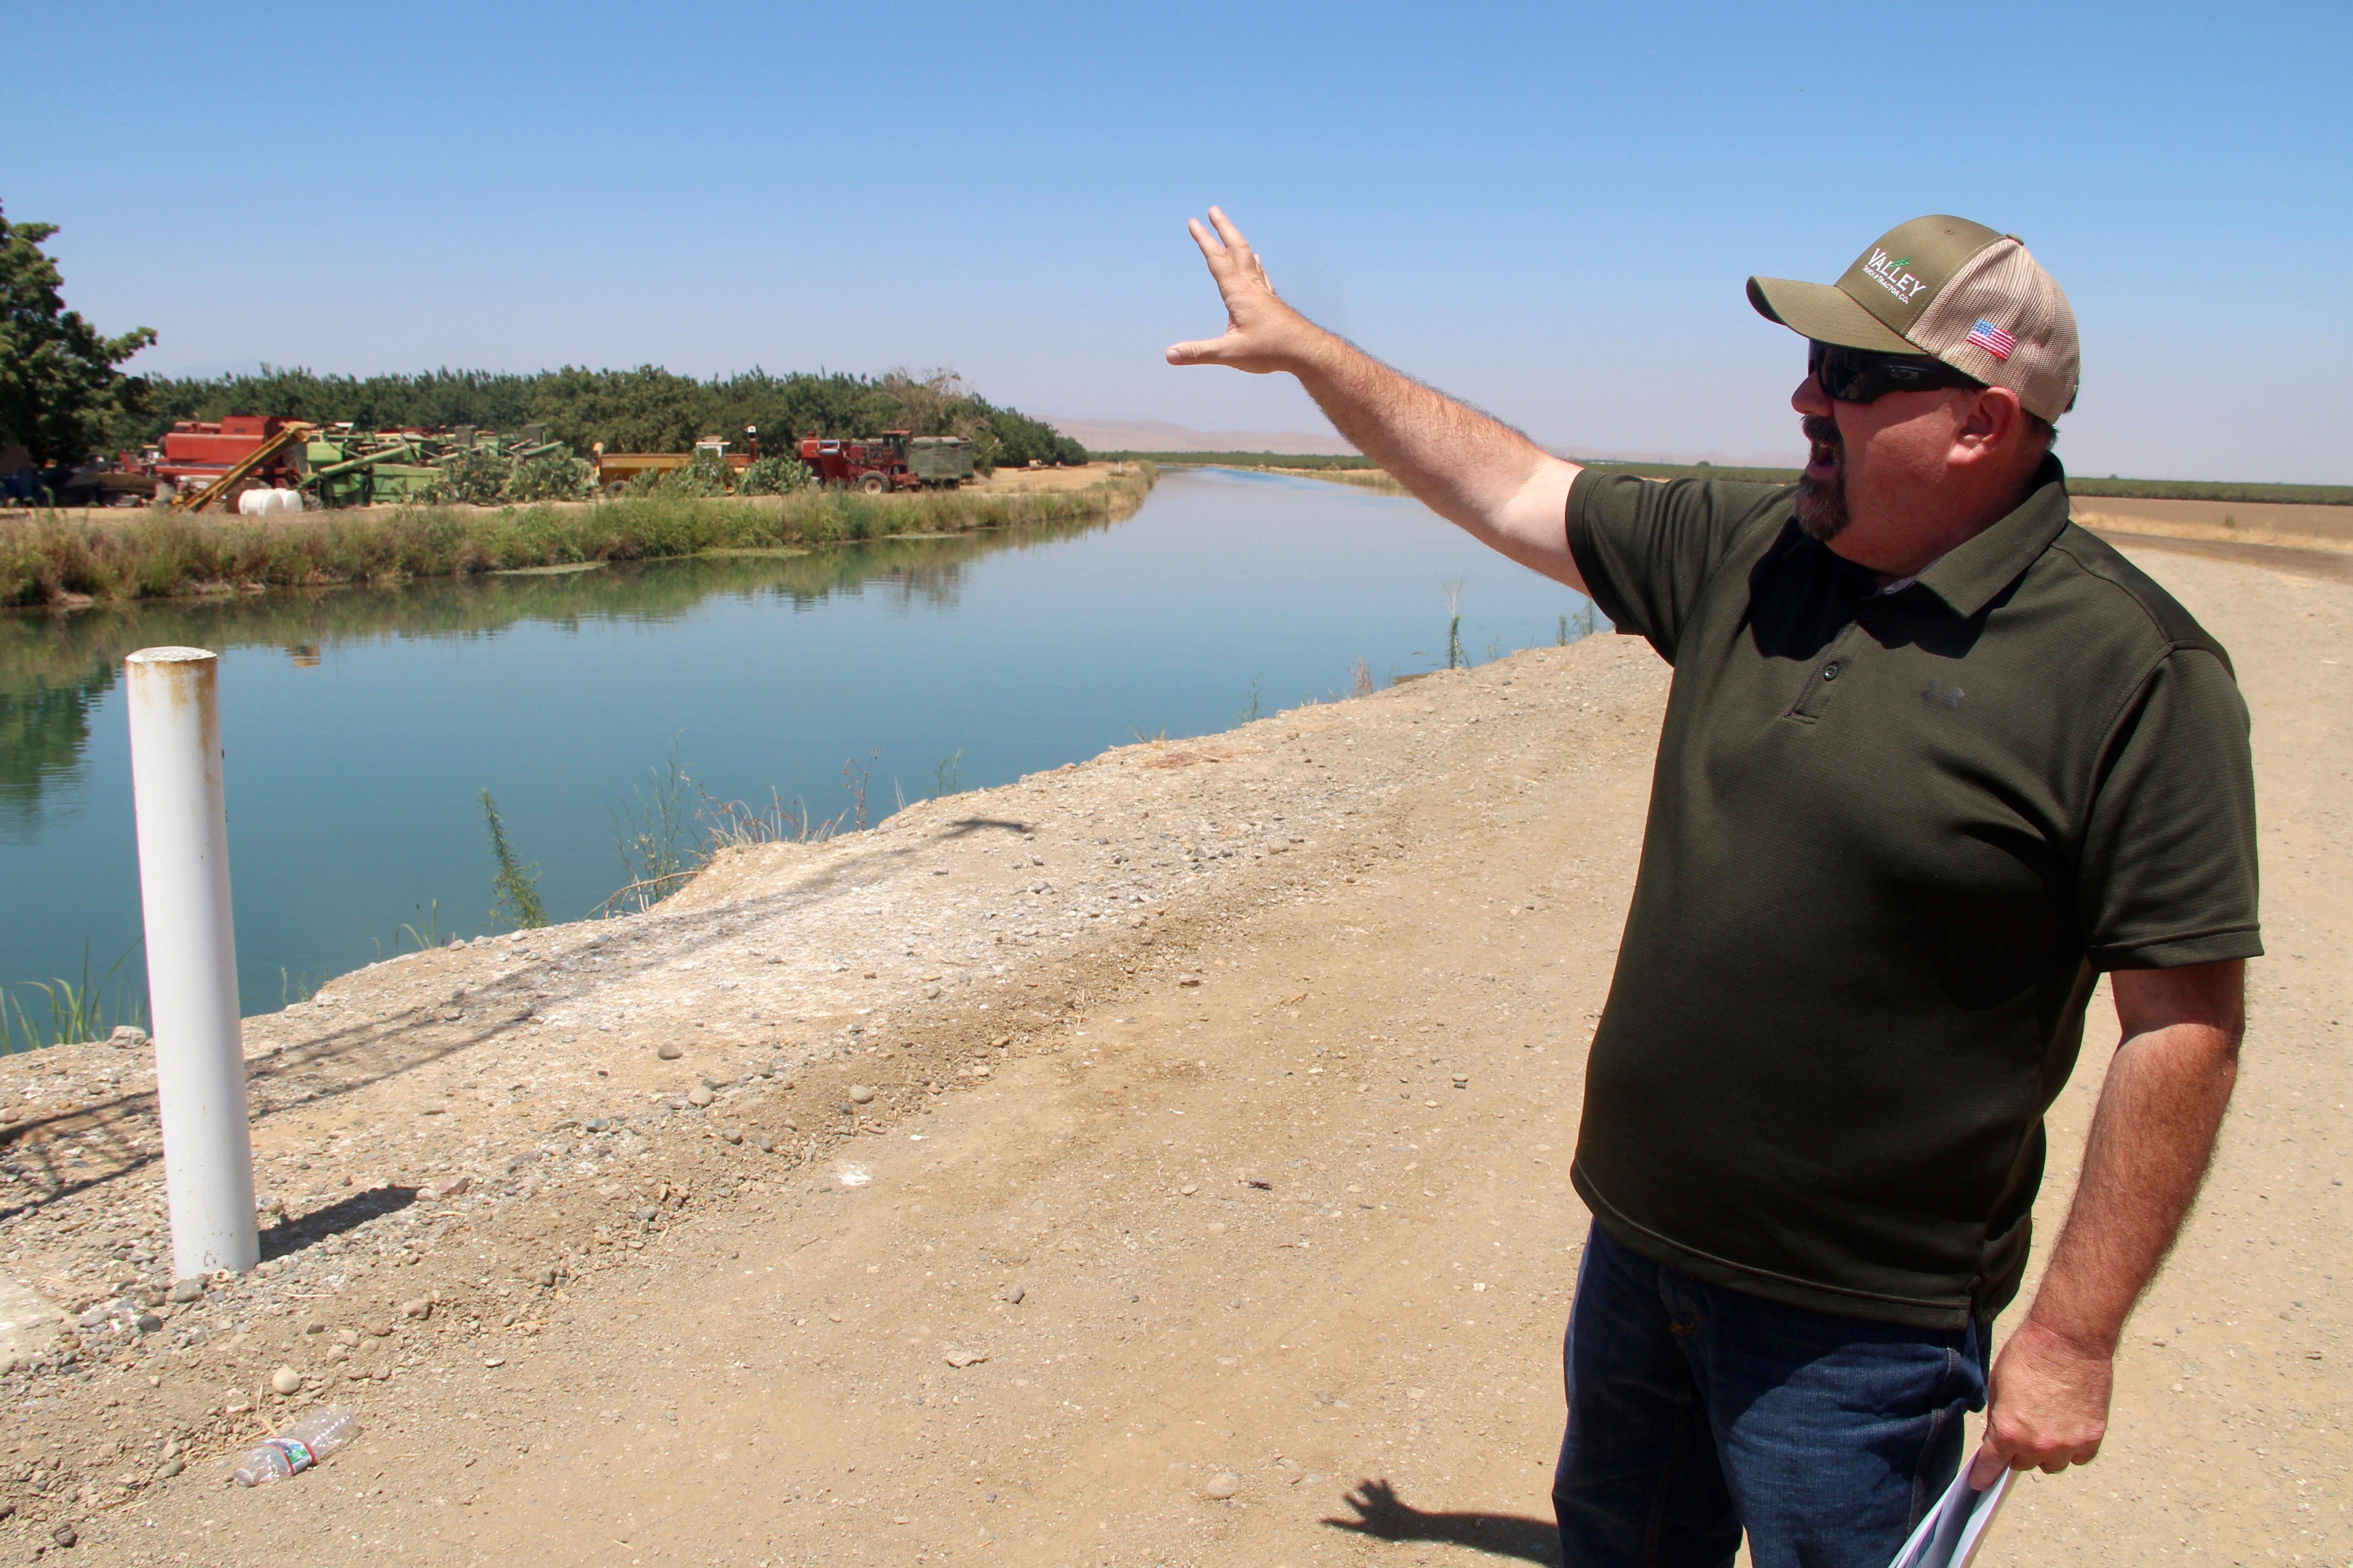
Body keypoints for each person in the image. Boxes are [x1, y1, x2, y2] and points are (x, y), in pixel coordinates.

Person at [1169, 210, 2258, 1568]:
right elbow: (1514, 490)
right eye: (1813, 361)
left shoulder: (2133, 670)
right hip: (1640, 1253)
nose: (1806, 396)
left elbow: (2180, 1022)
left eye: (1854, 379)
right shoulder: (1753, 553)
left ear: (1982, 425)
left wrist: (2071, 1334)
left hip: (1864, 1328)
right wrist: (1307, 355)